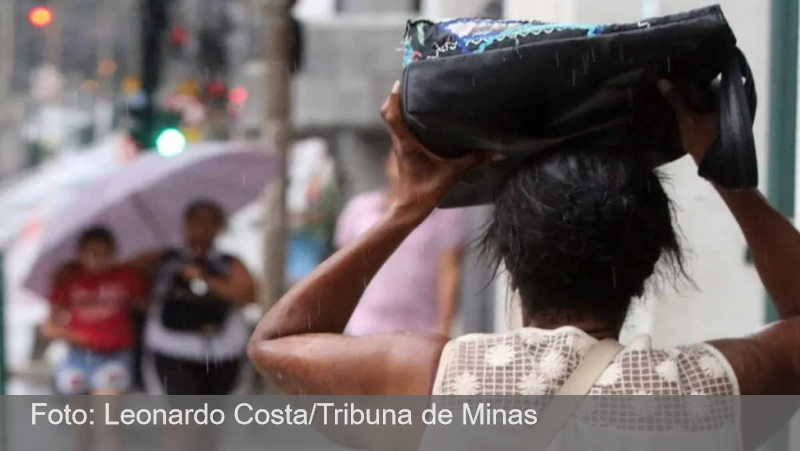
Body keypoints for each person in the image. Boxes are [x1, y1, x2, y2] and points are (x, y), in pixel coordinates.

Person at [249, 80, 800, 449]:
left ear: (509, 258)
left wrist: (408, 207)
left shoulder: (440, 383)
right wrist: (729, 177)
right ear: (652, 262)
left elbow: (277, 343)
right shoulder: (702, 392)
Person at [334, 151, 466, 336]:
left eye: (413, 160)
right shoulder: (359, 209)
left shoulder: (445, 214)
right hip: (363, 328)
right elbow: (342, 270)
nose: (405, 166)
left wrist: (443, 330)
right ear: (387, 163)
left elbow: (450, 273)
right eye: (399, 158)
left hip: (419, 331)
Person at [131, 199, 256, 395]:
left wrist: (205, 279)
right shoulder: (164, 259)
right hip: (172, 349)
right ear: (186, 224)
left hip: (221, 352)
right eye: (198, 221)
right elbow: (129, 281)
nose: (203, 228)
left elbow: (249, 294)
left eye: (210, 222)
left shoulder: (228, 262)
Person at [43, 226, 146, 396]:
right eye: (94, 253)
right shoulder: (69, 279)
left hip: (114, 355)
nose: (100, 260)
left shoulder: (126, 276)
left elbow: (144, 304)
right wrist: (80, 337)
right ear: (81, 254)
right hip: (77, 356)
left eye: (106, 254)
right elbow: (49, 326)